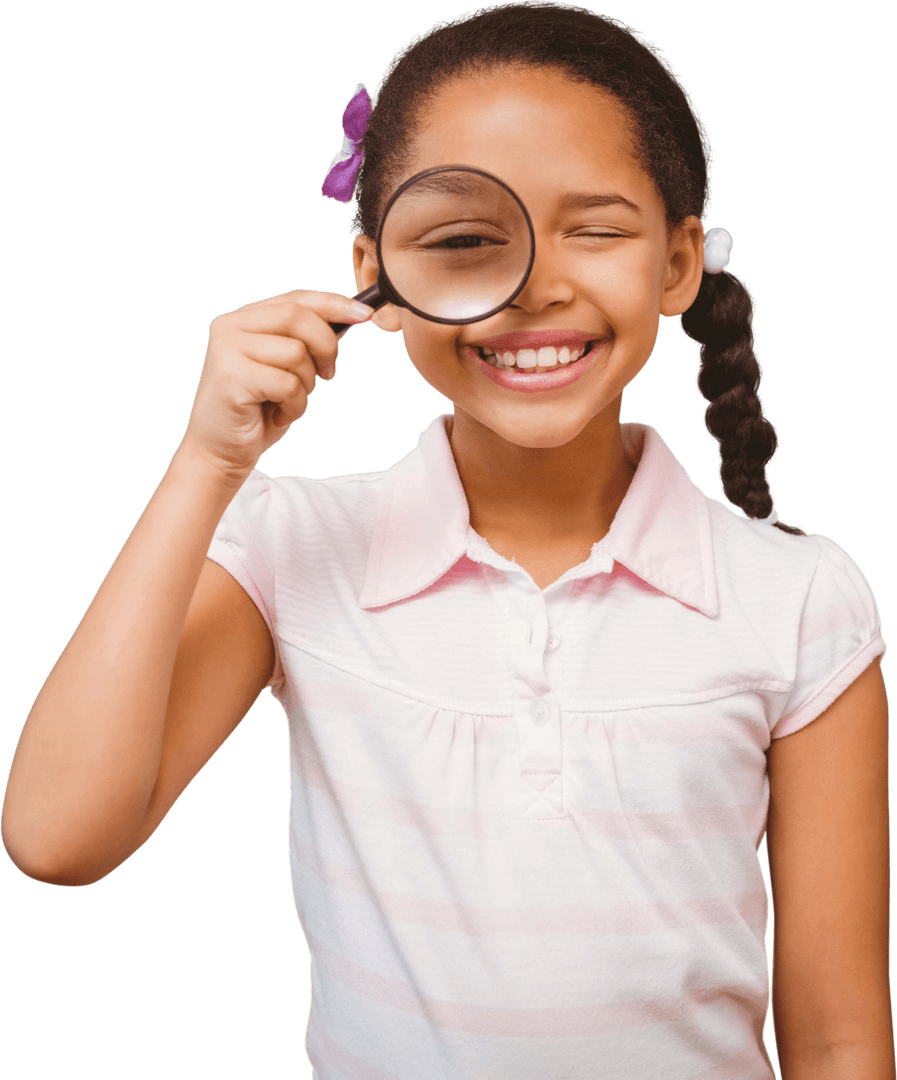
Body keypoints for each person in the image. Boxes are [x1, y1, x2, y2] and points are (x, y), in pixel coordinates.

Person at [4, 2, 891, 1077]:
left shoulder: (798, 598)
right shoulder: (293, 543)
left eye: (596, 228)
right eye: (467, 242)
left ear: (677, 261)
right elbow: (58, 838)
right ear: (377, 272)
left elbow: (841, 1033)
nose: (537, 285)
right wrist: (206, 466)